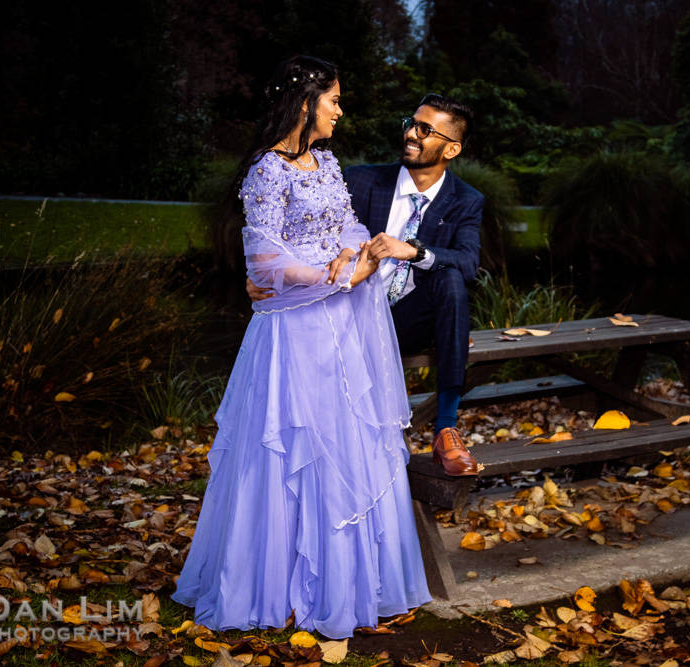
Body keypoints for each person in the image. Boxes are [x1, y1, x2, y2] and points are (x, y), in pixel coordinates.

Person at [171, 55, 431, 639]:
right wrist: (334, 274)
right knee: (291, 447)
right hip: (294, 333)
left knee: (344, 445)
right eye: (334, 99)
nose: (341, 110)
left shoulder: (326, 162)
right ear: (306, 101)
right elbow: (263, 260)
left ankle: (354, 584)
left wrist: (354, 253)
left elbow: (348, 226)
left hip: (341, 329)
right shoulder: (268, 171)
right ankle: (276, 584)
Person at [249, 94, 483, 477]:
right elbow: (297, 229)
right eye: (411, 123)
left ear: (452, 148)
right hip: (346, 311)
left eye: (425, 130)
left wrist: (412, 250)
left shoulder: (466, 201)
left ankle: (446, 427)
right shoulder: (360, 179)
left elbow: (469, 261)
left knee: (451, 278)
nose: (411, 133)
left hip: (405, 320)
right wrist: (262, 269)